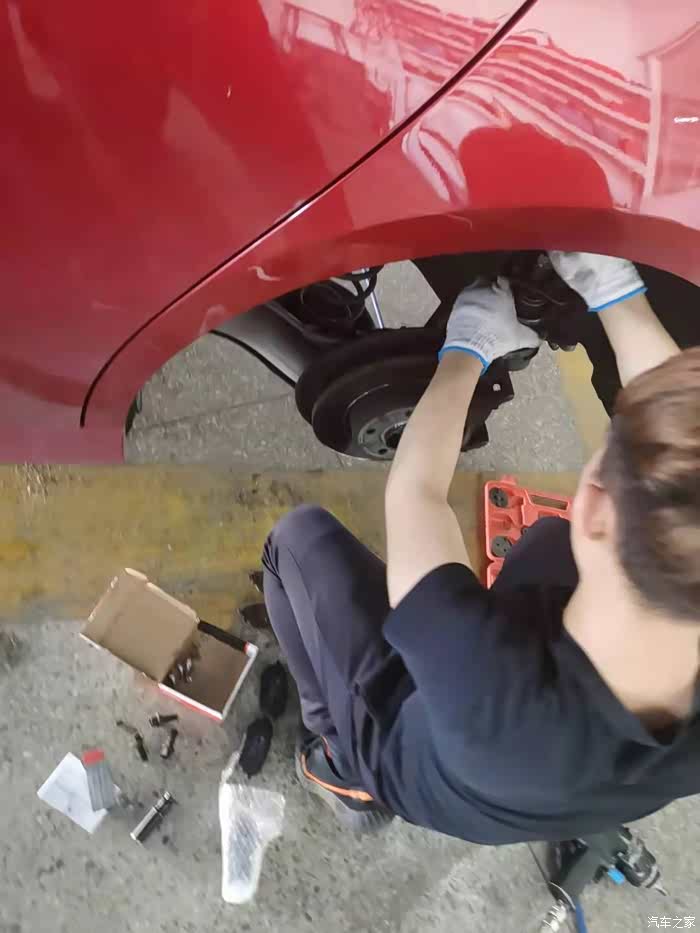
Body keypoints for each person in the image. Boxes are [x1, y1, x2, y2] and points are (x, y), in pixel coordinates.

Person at [262, 252, 700, 842]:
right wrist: (616, 291)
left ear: (597, 505)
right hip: (563, 769)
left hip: (417, 758)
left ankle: (339, 758)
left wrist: (466, 350)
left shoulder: (486, 687)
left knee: (297, 541)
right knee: (550, 543)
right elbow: (677, 448)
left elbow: (417, 494)